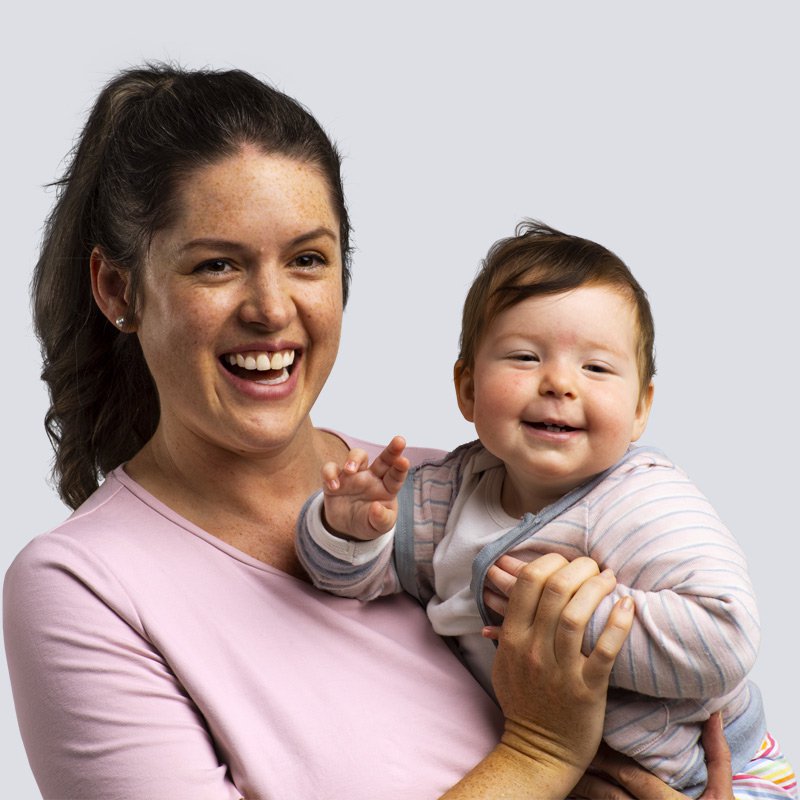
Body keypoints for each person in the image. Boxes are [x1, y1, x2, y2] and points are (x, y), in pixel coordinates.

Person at [2, 63, 736, 800]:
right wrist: (540, 754)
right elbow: (546, 749)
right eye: (217, 264)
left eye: (307, 260)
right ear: (117, 289)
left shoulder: (456, 493)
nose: (271, 307)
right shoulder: (84, 590)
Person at [297, 223, 797, 799]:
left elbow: (726, 638)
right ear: (466, 387)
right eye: (526, 356)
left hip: (716, 772)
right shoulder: (448, 492)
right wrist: (349, 531)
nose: (559, 382)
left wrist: (572, 620)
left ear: (641, 408)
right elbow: (347, 581)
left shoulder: (643, 501)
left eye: (597, 368)